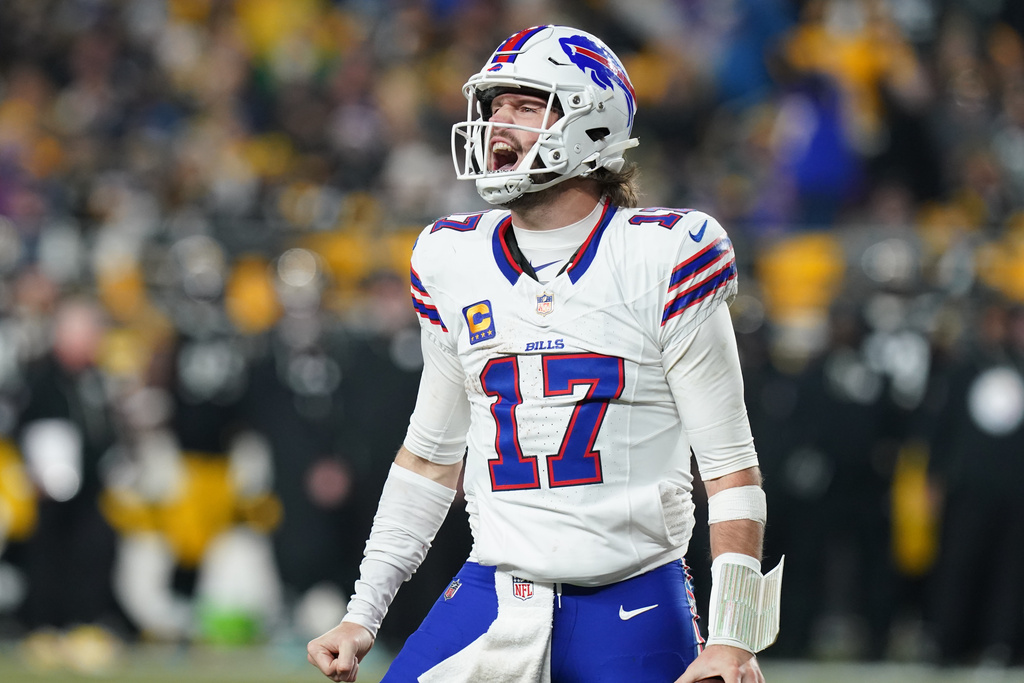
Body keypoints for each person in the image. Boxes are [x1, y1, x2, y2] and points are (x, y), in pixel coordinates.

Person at [308, 25, 782, 683]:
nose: (498, 124)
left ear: (591, 125)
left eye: (526, 106)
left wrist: (733, 638)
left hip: (632, 598)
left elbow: (731, 471)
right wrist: (363, 613)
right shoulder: (453, 257)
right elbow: (429, 457)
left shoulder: (666, 254)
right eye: (494, 105)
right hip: (494, 589)